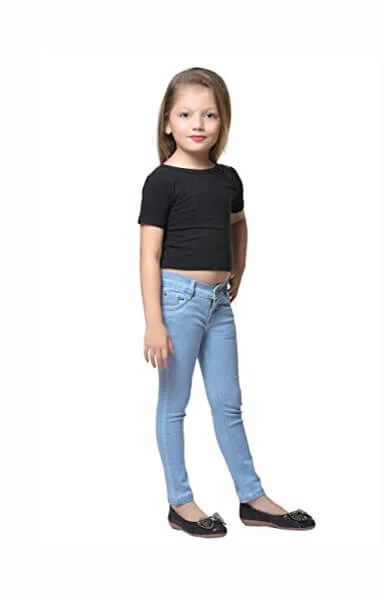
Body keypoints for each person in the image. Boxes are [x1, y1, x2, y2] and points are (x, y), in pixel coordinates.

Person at [137, 67, 315, 537]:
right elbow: (149, 254)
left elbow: (238, 223)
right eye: (185, 114)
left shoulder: (228, 179)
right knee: (174, 403)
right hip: (177, 300)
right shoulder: (162, 181)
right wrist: (154, 321)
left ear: (223, 122)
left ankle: (252, 498)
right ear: (167, 122)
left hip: (218, 304)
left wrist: (239, 269)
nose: (198, 124)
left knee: (228, 403)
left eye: (209, 114)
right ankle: (180, 502)